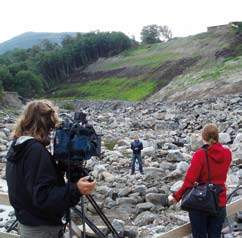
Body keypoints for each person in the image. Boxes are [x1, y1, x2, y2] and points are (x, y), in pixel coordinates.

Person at [6, 100, 96, 238]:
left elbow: (29, 185)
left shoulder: (18, 146)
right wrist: (76, 189)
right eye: (51, 128)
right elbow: (43, 198)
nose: (51, 132)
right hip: (42, 230)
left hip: (28, 224)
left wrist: (57, 169)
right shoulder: (35, 151)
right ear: (45, 125)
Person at [168, 123, 232, 238]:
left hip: (201, 202)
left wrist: (176, 197)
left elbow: (189, 181)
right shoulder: (227, 153)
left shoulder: (200, 155)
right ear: (217, 137)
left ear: (203, 138)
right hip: (220, 200)